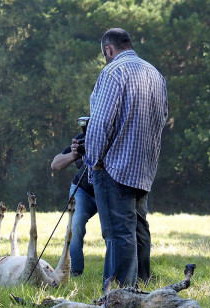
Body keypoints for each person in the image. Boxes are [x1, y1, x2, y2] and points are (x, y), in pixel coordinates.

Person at [83, 28, 167, 287]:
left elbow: (100, 123)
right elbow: (162, 117)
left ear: (108, 50)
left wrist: (93, 161)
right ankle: (143, 287)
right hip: (144, 167)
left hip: (115, 167)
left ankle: (119, 294)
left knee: (118, 233)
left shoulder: (112, 72)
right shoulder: (155, 74)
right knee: (139, 229)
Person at [51, 123, 98, 277]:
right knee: (75, 225)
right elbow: (55, 164)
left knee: (110, 230)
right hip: (82, 190)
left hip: (108, 192)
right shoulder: (83, 137)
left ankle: (114, 274)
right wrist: (73, 154)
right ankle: (75, 271)